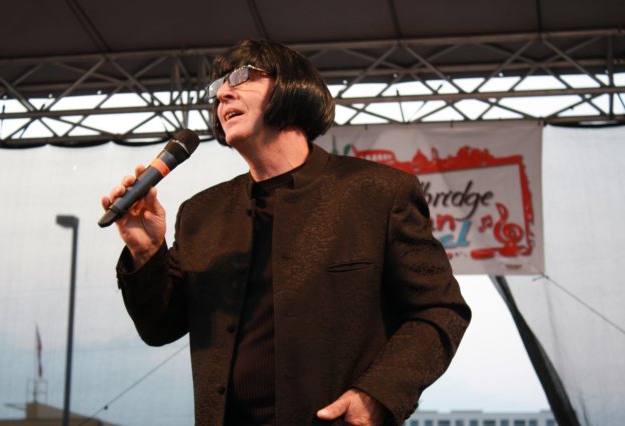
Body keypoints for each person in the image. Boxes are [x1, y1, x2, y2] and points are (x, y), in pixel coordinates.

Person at [102, 40, 471, 426]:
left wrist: (377, 395)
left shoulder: (378, 193)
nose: (223, 93)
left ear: (293, 85)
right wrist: (147, 251)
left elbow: (440, 310)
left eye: (241, 76)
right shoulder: (201, 213)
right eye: (217, 88)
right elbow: (160, 327)